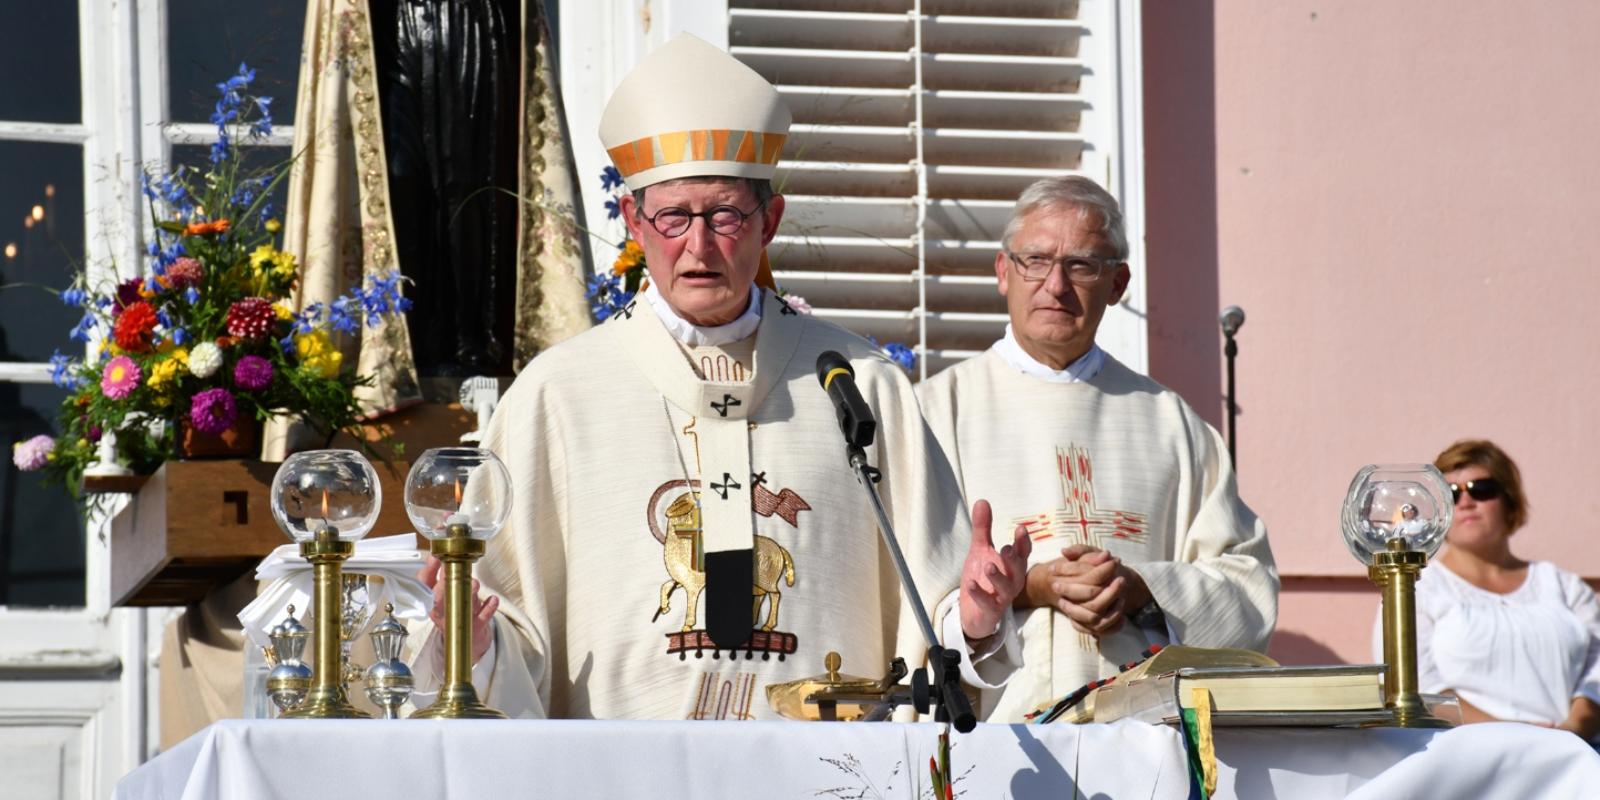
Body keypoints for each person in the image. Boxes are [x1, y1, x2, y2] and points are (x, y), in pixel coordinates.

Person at [407, 33, 1030, 720]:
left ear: (770, 221)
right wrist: (473, 638)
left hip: (829, 773)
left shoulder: (859, 385)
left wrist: (973, 620)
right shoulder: (558, 397)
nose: (699, 246)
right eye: (674, 216)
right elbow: (508, 632)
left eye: (725, 215)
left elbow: (935, 623)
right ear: (633, 223)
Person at [916, 176, 1278, 722]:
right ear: (1002, 271)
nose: (1055, 285)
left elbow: (1248, 588)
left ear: (1118, 282)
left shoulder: (1171, 423)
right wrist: (1022, 591)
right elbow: (894, 600)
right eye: (1035, 260)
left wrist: (1142, 590)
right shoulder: (935, 414)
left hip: (1147, 732)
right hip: (997, 736)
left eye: (1082, 265)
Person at [1372, 439, 1600, 741]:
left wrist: (1571, 733)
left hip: (1573, 758)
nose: (1465, 501)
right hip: (1469, 762)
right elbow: (1413, 687)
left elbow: (1595, 676)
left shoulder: (1562, 585)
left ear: (1510, 501)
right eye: (1451, 494)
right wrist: (1515, 735)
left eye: (1481, 489)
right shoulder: (1413, 588)